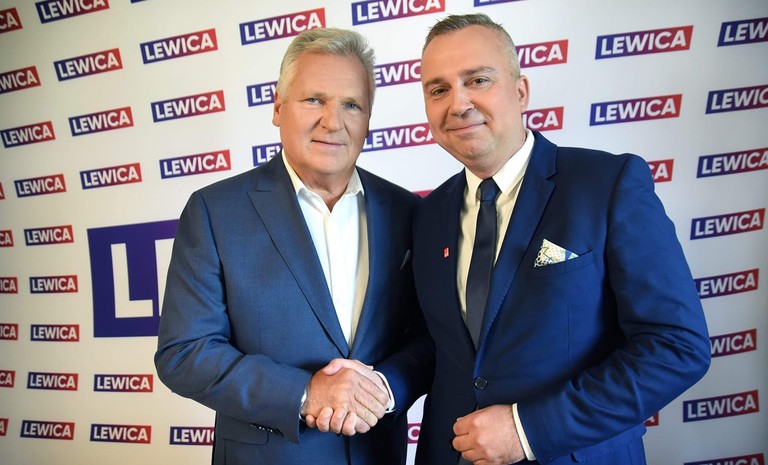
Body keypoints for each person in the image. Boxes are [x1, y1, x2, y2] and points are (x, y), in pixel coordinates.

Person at [412, 13, 710, 465]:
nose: (458, 103)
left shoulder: (608, 183)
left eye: (478, 80)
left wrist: (529, 429)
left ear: (521, 91)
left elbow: (677, 347)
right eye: (438, 90)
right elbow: (433, 348)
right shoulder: (428, 214)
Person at [154, 27, 432, 465]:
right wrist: (305, 393)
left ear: (368, 119)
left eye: (351, 105)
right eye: (314, 100)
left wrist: (386, 388)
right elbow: (184, 352)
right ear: (278, 106)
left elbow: (430, 336)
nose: (333, 122)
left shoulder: (408, 211)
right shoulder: (215, 211)